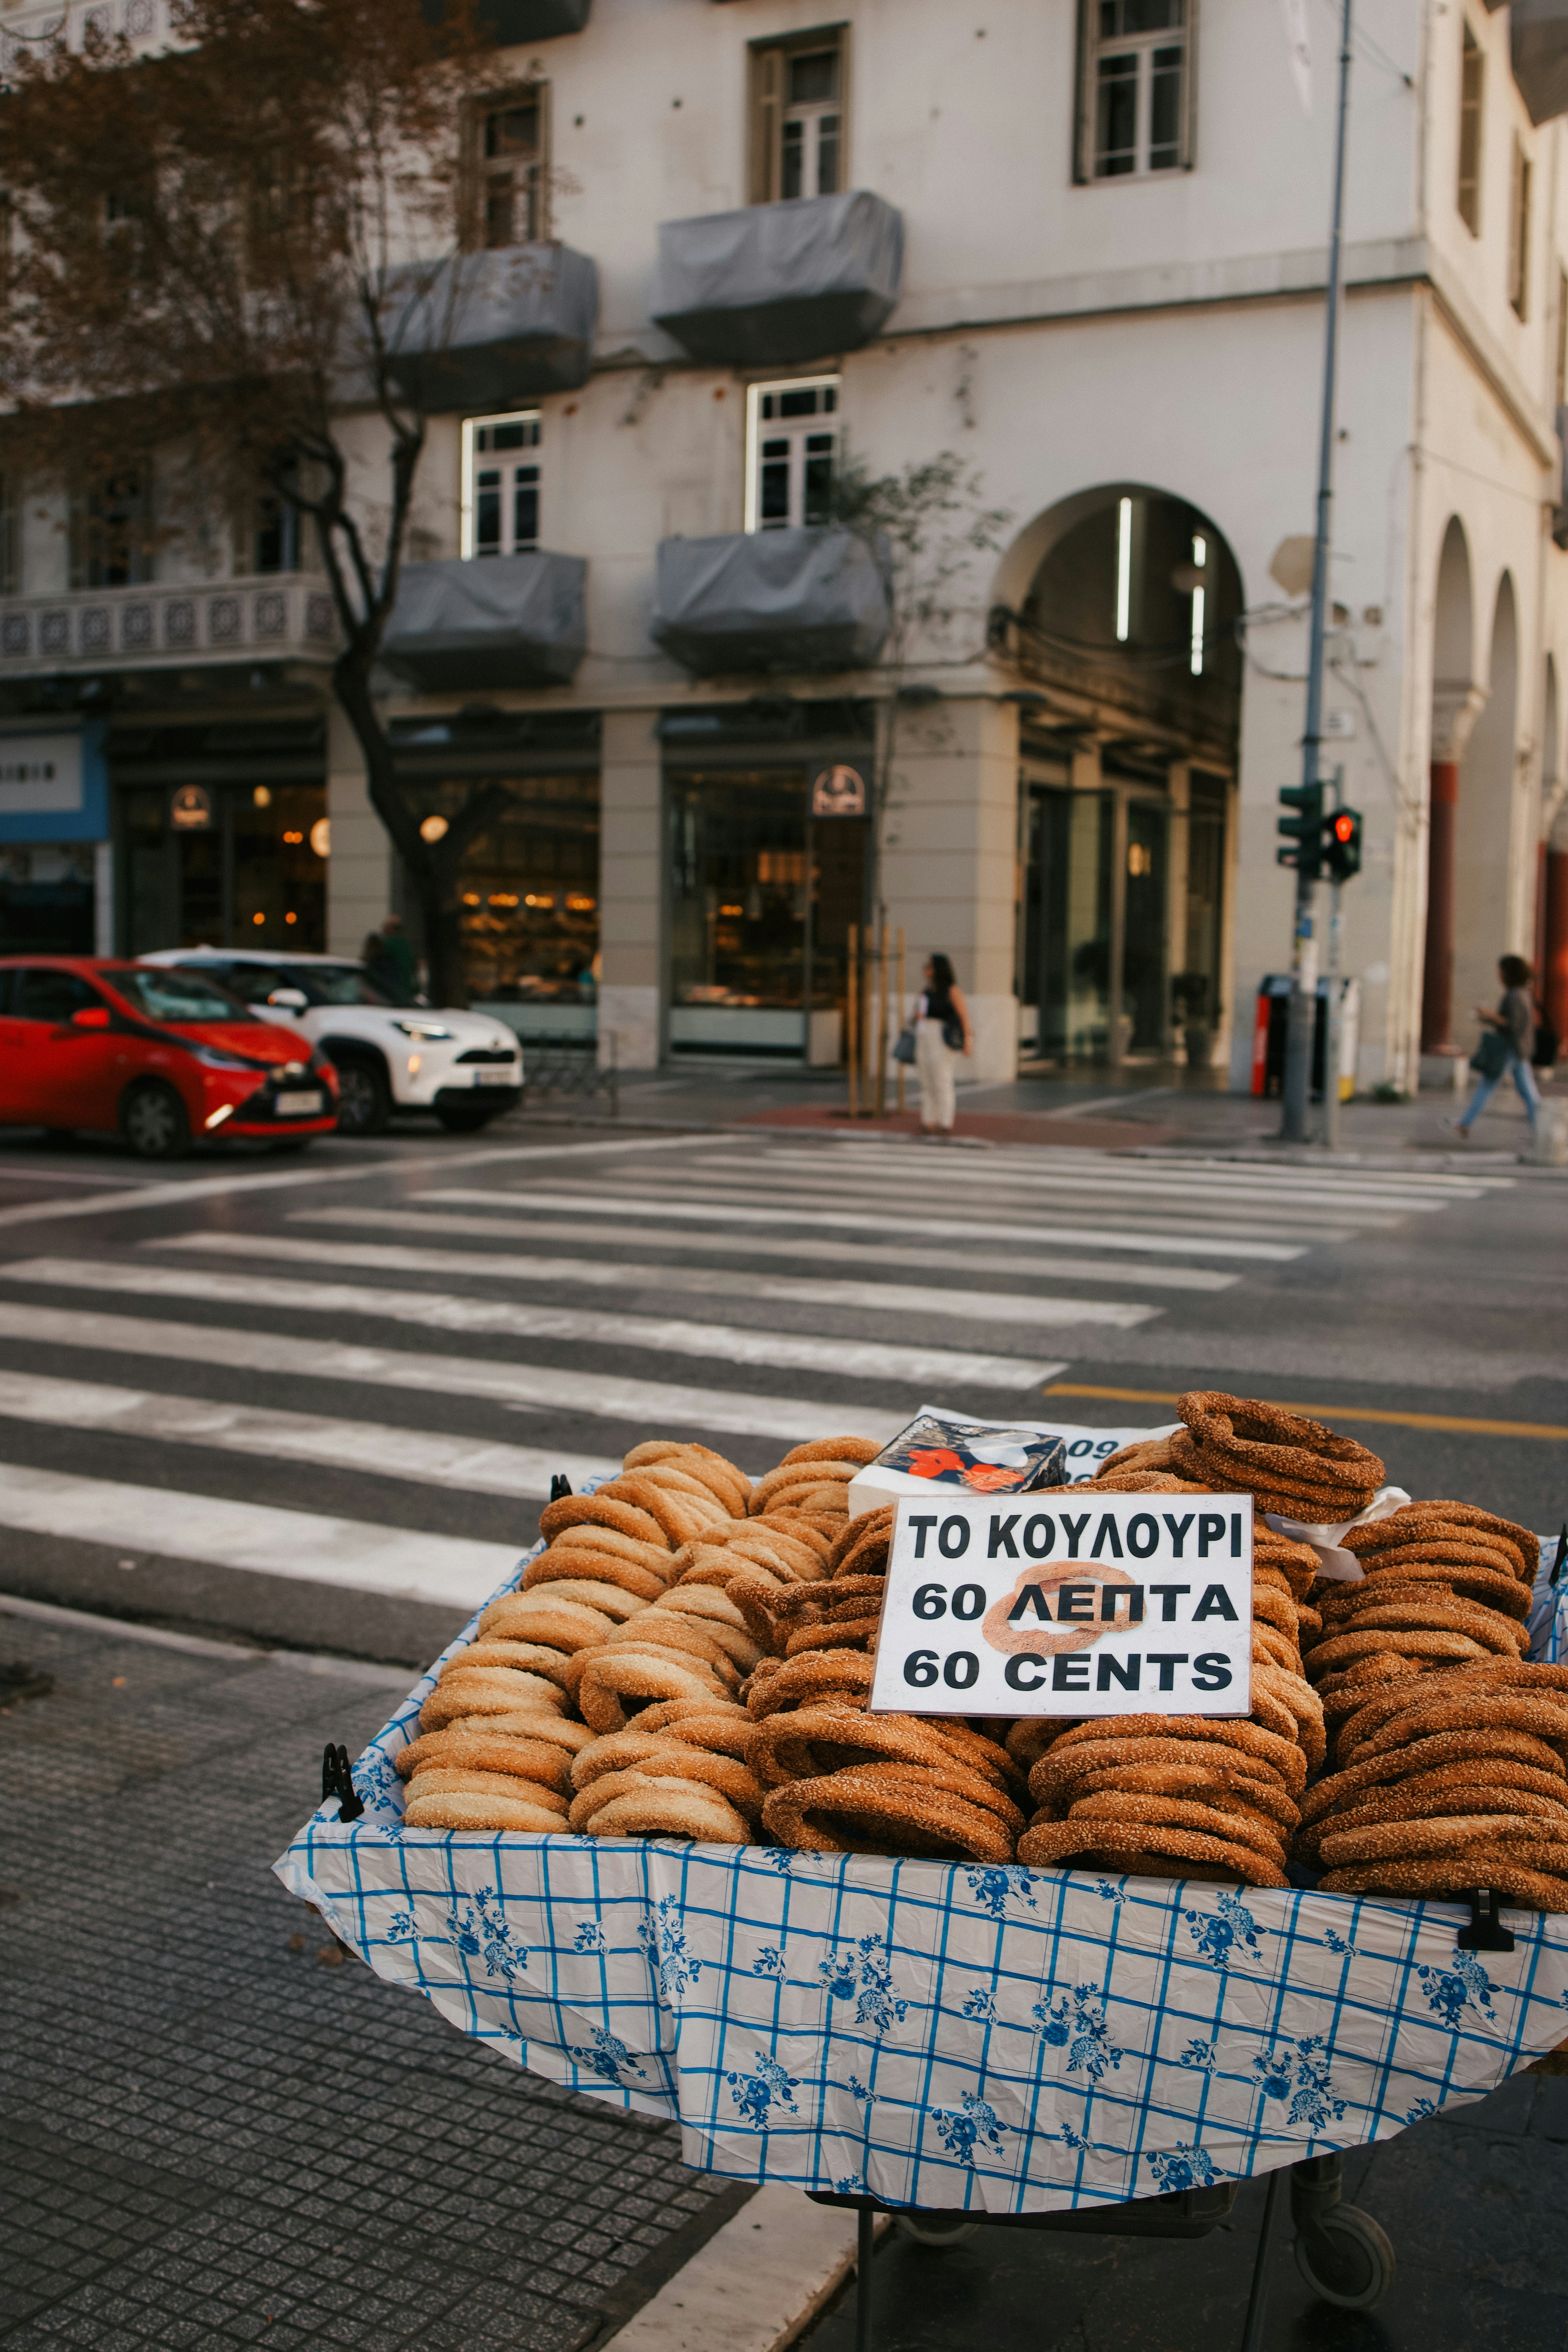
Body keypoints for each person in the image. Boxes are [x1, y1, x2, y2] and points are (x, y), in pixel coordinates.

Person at [1450, 954, 1540, 1144]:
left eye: (1501, 971)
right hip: (1517, 1049)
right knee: (1526, 1092)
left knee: (1491, 1085)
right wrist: (1486, 1017)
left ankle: (1465, 1124)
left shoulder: (1515, 995)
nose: (1498, 974)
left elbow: (1512, 1025)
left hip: (1511, 1049)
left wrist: (1488, 1014)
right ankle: (1542, 1129)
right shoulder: (1521, 993)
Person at [910, 951, 973, 1139]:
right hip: (924, 1036)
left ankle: (946, 1122)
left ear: (938, 969)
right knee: (926, 1079)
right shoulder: (926, 991)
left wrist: (968, 1041)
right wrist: (917, 1017)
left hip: (942, 1038)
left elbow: (964, 1017)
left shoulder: (952, 991)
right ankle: (928, 1121)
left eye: (929, 966)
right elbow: (917, 1014)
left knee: (942, 1078)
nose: (926, 969)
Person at [378, 915, 419, 1004]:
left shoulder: (387, 944)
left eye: (385, 927)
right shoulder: (406, 944)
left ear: (390, 928)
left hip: (391, 989)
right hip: (407, 988)